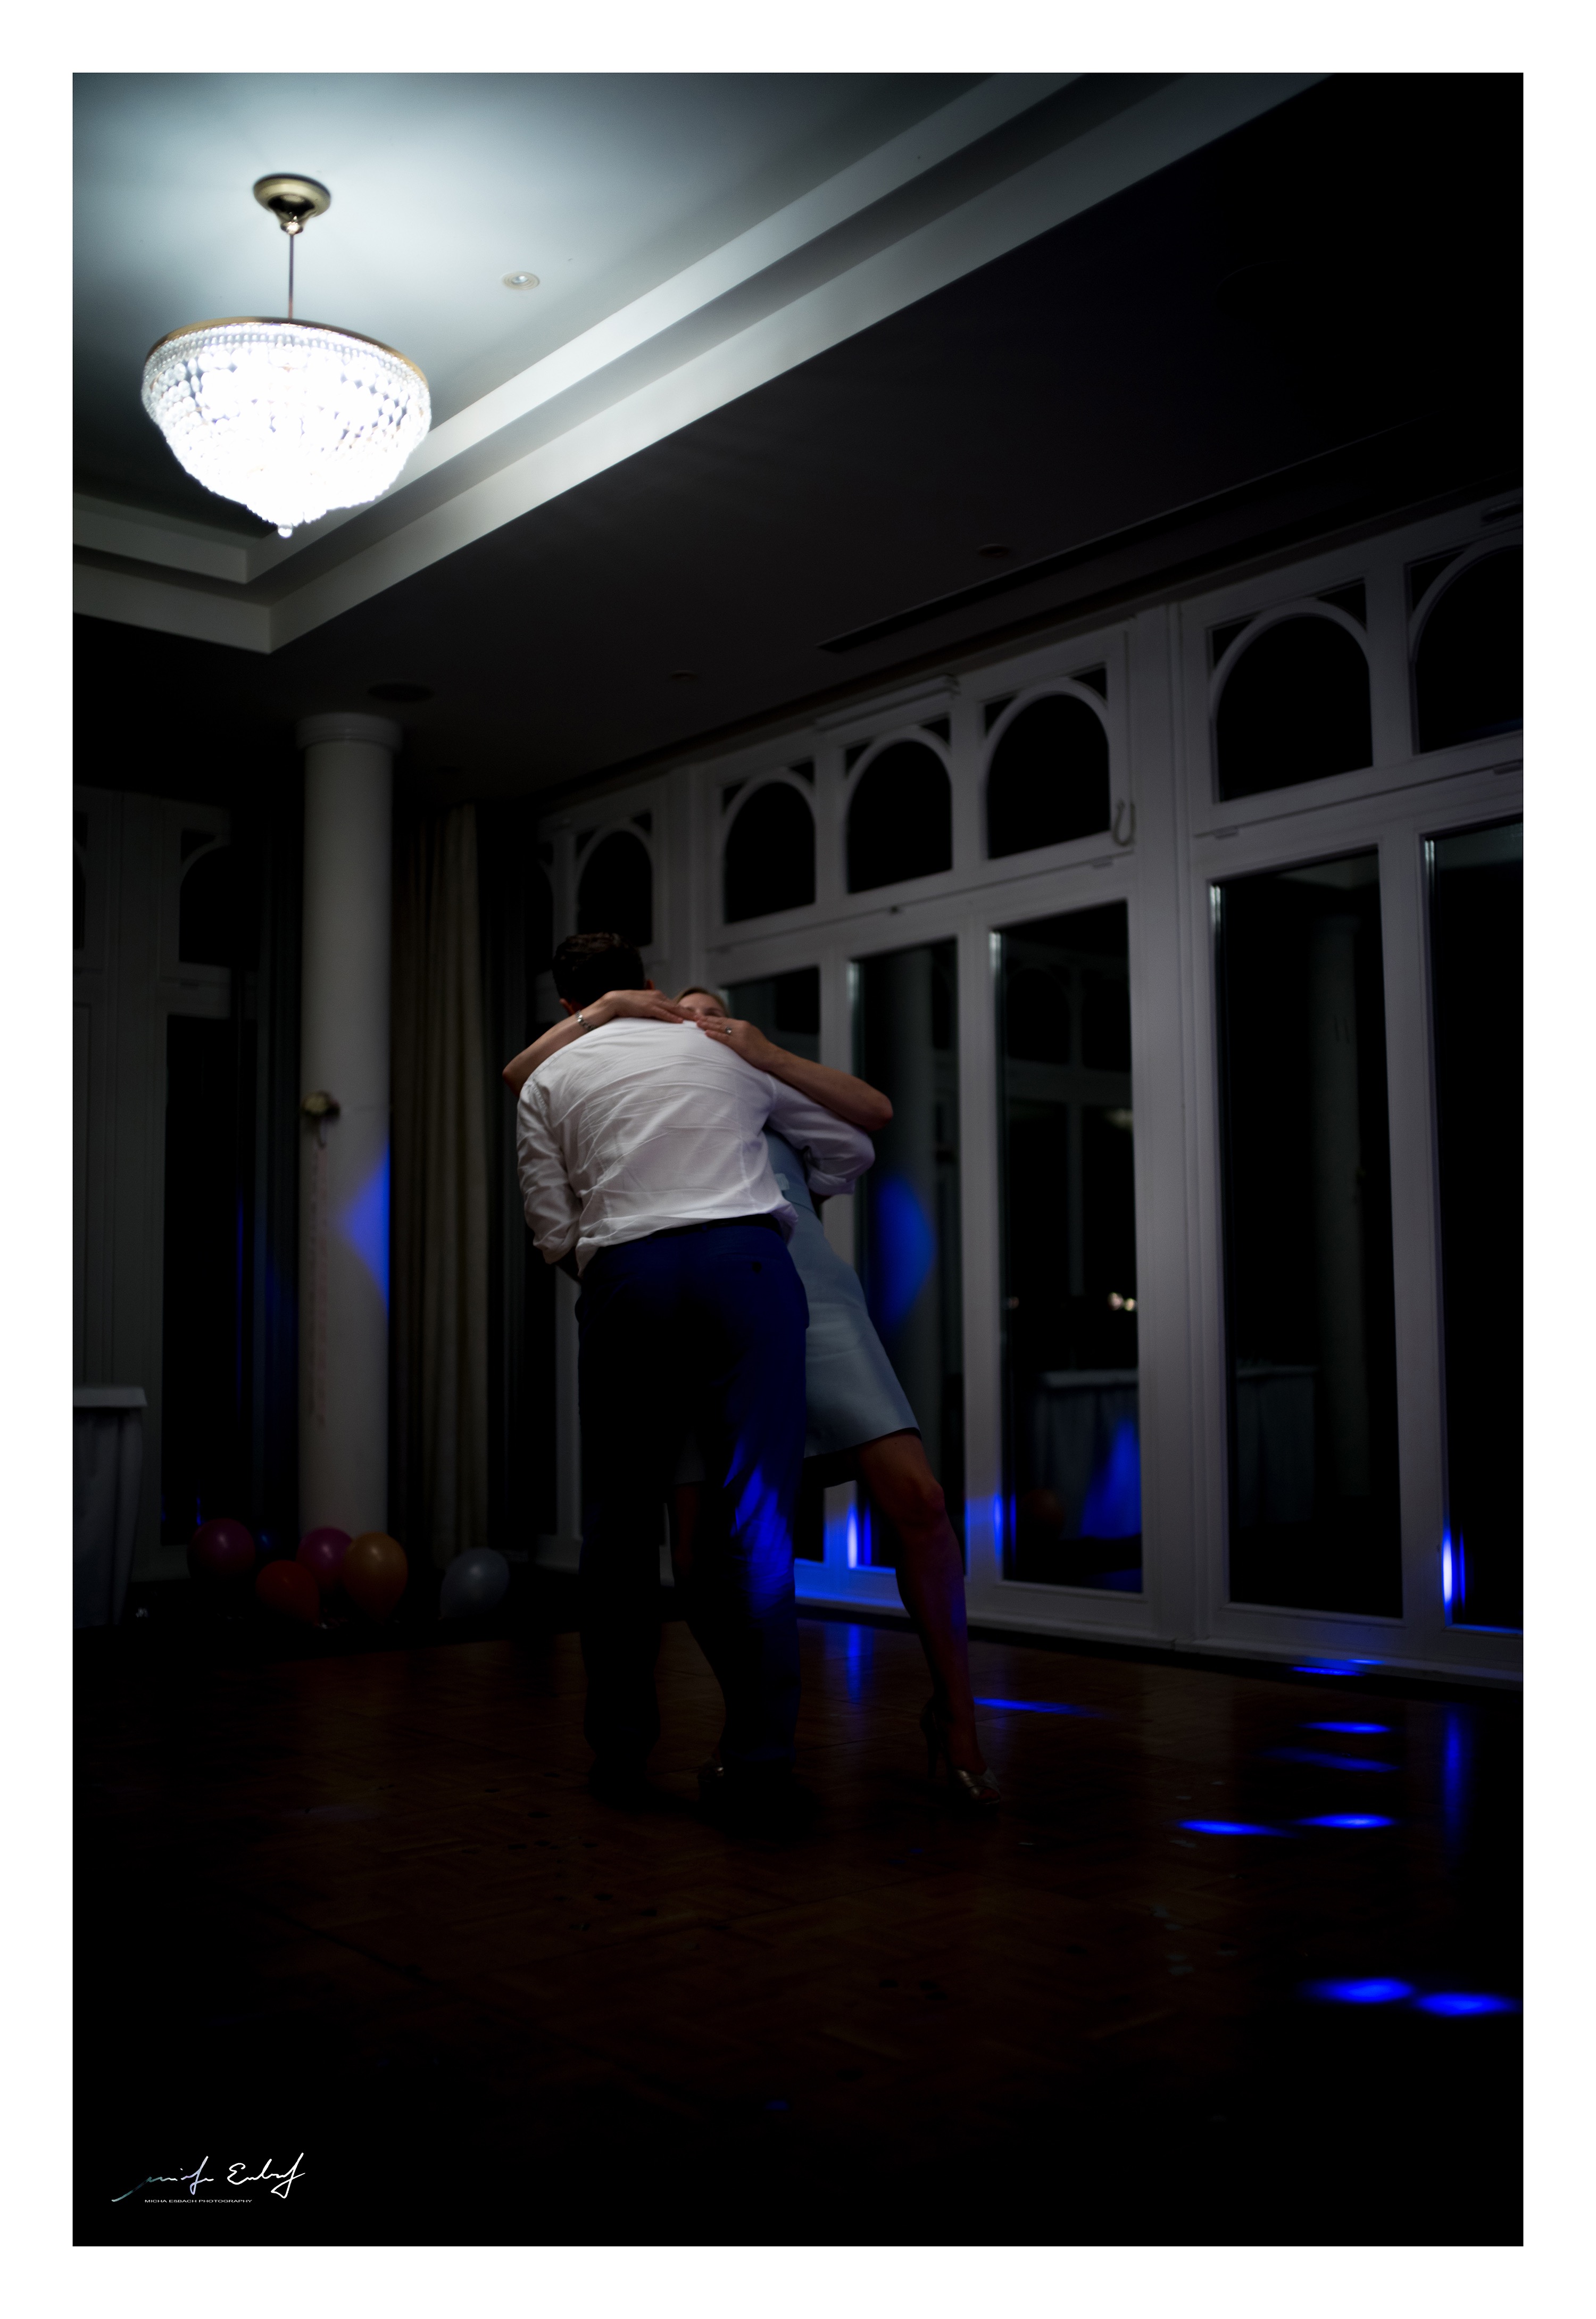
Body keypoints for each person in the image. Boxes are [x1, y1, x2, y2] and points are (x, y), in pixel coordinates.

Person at [504, 969, 998, 1811]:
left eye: (715, 1017)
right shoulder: (631, 1087)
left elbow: (861, 1135)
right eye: (684, 1014)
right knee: (700, 1549)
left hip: (807, 1296)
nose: (697, 1025)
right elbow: (538, 1108)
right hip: (694, 1308)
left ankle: (956, 1715)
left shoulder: (755, 1077)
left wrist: (761, 1053)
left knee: (917, 1498)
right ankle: (752, 1731)